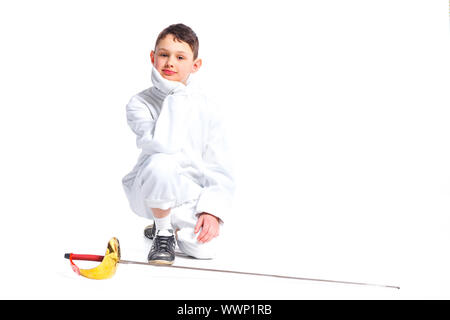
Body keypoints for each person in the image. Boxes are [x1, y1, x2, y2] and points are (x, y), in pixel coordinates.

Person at [122, 23, 235, 265]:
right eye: (164, 55)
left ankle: (168, 221)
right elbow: (163, 145)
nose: (170, 62)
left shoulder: (208, 108)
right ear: (153, 58)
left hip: (186, 192)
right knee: (162, 162)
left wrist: (211, 210)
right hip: (149, 184)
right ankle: (162, 231)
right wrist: (175, 94)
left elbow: (218, 165)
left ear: (195, 65)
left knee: (205, 250)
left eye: (180, 57)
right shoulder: (139, 103)